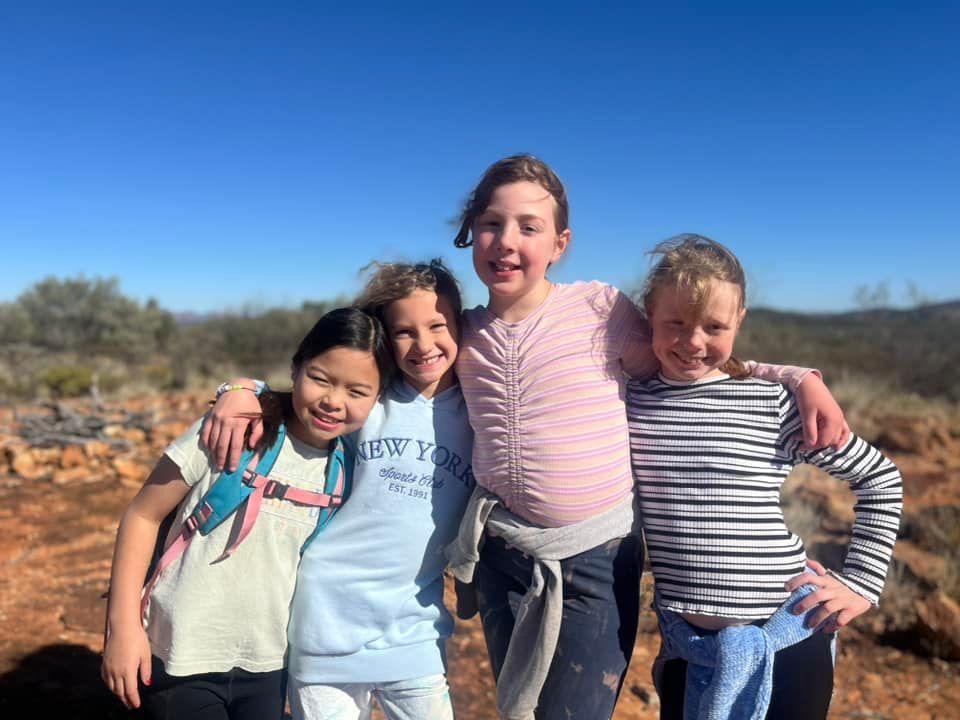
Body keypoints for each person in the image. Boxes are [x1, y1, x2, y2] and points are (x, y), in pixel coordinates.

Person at [444, 154, 851, 720]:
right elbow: (379, 375)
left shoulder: (599, 310)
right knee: (518, 702)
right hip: (502, 553)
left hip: (596, 558)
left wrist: (796, 377)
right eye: (492, 223)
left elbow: (691, 352)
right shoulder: (461, 332)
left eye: (529, 227)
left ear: (560, 243)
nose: (506, 240)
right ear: (471, 232)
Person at [626, 234, 903, 719]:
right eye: (675, 323)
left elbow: (880, 479)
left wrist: (860, 583)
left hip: (788, 639)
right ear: (649, 312)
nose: (693, 342)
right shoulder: (629, 400)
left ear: (740, 322)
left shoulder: (767, 402)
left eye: (714, 326)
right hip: (687, 650)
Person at [204, 260, 475, 720]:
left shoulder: (480, 410)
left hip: (415, 631)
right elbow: (306, 393)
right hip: (324, 626)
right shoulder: (370, 398)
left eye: (437, 325)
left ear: (459, 324)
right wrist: (239, 388)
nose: (424, 344)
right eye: (405, 332)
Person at [101, 307, 392, 719]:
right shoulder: (233, 428)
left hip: (268, 663)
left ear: (377, 398)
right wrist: (122, 629)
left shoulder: (350, 468)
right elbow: (142, 516)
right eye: (320, 378)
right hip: (181, 653)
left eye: (357, 392)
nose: (333, 401)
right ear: (296, 369)